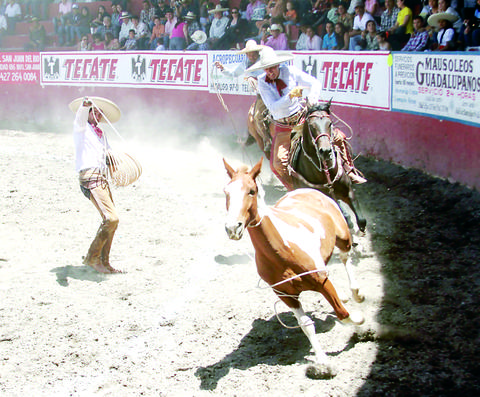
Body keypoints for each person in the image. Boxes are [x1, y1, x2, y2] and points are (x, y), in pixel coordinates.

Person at [246, 47, 366, 190]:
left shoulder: (290, 71)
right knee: (277, 164)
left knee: (338, 137)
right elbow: (273, 107)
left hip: (301, 118)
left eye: (272, 67)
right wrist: (290, 96)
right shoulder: (262, 82)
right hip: (282, 126)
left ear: (278, 65)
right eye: (266, 69)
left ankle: (349, 169)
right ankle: (294, 189)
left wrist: (312, 98)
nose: (270, 71)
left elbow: (315, 83)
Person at [69, 96, 123, 274]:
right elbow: (80, 117)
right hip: (90, 177)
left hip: (101, 178)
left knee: (112, 220)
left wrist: (116, 164)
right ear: (89, 113)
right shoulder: (81, 128)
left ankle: (104, 261)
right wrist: (85, 106)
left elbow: (109, 154)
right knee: (111, 218)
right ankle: (92, 258)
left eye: (101, 113)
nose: (98, 115)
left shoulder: (101, 134)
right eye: (95, 111)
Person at [215, 40, 270, 151]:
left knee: (259, 116)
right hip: (261, 95)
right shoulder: (245, 63)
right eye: (250, 54)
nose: (252, 56)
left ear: (257, 53)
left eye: (254, 54)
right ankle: (265, 139)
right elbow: (233, 73)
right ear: (246, 55)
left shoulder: (264, 61)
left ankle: (270, 139)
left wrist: (256, 80)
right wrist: (222, 68)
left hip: (270, 92)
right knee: (255, 117)